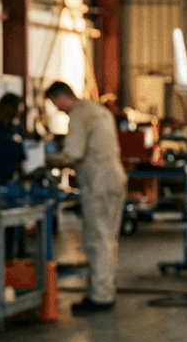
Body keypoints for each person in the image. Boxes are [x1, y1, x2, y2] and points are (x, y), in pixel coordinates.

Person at [44, 81, 129, 315]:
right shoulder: (98, 109)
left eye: (54, 103)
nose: (57, 109)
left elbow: (73, 154)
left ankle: (100, 297)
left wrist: (45, 159)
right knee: (108, 238)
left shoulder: (79, 114)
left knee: (97, 239)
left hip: (98, 183)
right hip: (114, 178)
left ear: (61, 97)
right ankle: (105, 291)